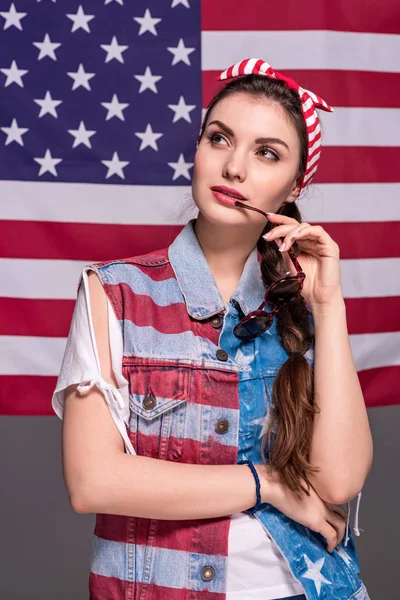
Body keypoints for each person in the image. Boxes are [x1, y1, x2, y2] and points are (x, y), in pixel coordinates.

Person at [52, 58, 373, 600]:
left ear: (294, 185)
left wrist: (329, 303)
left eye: (266, 153)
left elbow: (339, 482)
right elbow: (93, 482)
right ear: (197, 152)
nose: (234, 168)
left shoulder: (307, 305)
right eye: (219, 139)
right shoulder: (114, 292)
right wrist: (266, 484)